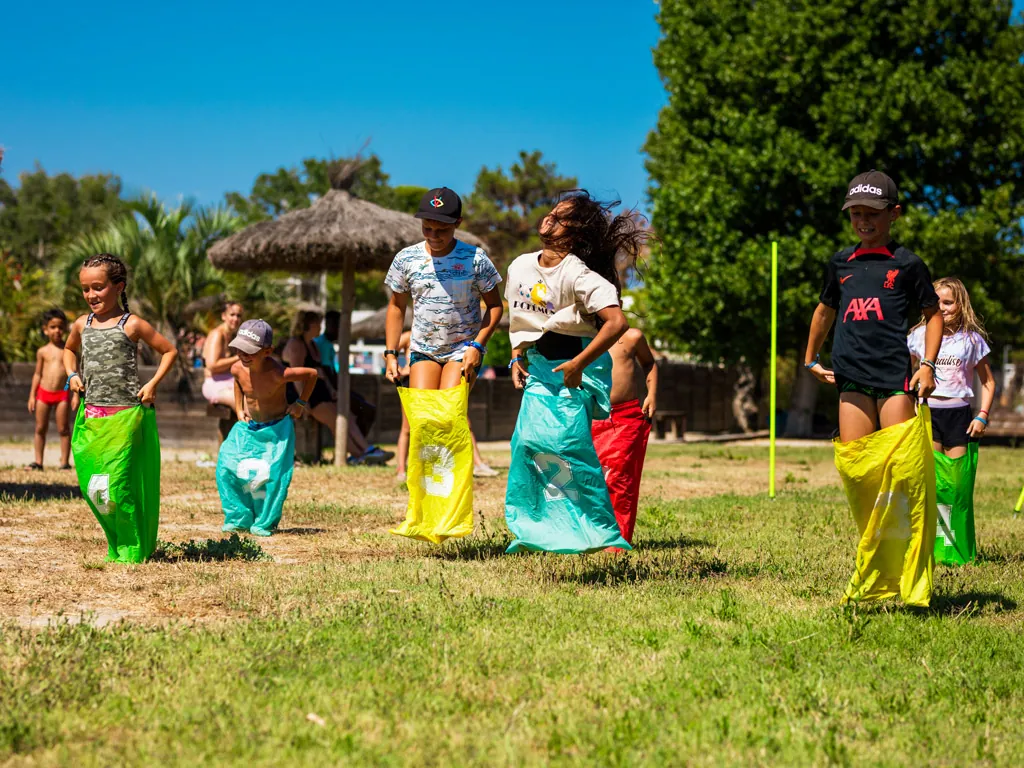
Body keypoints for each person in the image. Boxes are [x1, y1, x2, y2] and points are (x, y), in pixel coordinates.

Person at [803, 170, 943, 606]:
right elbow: (825, 311)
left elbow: (933, 314)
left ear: (893, 214)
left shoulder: (907, 264)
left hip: (893, 380)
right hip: (850, 378)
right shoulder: (841, 263)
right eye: (856, 214)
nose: (863, 221)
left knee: (897, 476)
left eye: (873, 214)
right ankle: (875, 559)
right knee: (859, 473)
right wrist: (810, 358)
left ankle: (904, 570)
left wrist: (929, 367)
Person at [503, 190, 648, 554]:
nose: (550, 218)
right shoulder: (520, 266)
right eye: (551, 211)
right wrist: (515, 355)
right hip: (539, 370)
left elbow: (616, 322)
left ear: (574, 235)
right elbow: (522, 321)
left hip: (576, 374)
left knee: (568, 449)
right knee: (528, 446)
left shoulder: (578, 275)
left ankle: (599, 531)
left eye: (561, 217)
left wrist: (578, 365)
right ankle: (541, 529)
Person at [384, 187, 502, 542]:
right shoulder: (407, 260)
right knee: (423, 425)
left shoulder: (475, 259)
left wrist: (478, 346)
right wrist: (391, 352)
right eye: (428, 229)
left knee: (449, 421)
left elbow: (496, 308)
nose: (434, 237)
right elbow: (396, 308)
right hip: (422, 349)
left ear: (457, 225)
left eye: (442, 230)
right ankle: (423, 508)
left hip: (461, 349)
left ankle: (452, 509)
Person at [63, 253, 177, 562]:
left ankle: (132, 548)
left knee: (120, 487)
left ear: (118, 287)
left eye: (97, 287)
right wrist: (72, 374)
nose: (90, 295)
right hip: (92, 417)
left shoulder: (132, 324)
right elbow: (69, 350)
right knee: (94, 488)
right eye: (85, 289)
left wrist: (152, 384)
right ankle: (117, 543)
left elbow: (169, 351)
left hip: (126, 417)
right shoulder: (81, 324)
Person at [908, 277, 995, 565]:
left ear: (961, 305)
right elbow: (909, 378)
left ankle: (957, 548)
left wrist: (982, 415)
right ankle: (932, 549)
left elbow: (988, 382)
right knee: (933, 485)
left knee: (957, 486)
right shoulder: (918, 336)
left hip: (959, 416)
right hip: (928, 413)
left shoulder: (972, 341)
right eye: (937, 302)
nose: (942, 308)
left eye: (949, 302)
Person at [217, 319, 318, 536]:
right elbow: (237, 381)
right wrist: (238, 409)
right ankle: (239, 517)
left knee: (271, 477)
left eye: (249, 351)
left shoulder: (278, 374)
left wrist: (300, 404)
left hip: (277, 430)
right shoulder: (238, 368)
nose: (243, 354)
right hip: (250, 426)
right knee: (226, 467)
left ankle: (264, 521)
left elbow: (311, 374)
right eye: (239, 349)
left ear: (267, 351)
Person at [283, 310, 392, 465]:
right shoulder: (296, 344)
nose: (320, 327)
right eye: (317, 323)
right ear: (308, 324)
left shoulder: (313, 345)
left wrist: (331, 389)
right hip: (306, 395)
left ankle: (366, 450)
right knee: (337, 421)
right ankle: (359, 454)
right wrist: (302, 402)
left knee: (348, 417)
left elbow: (323, 372)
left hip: (320, 391)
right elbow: (295, 376)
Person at [591, 327, 658, 545]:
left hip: (625, 417)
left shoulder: (632, 337)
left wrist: (652, 394)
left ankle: (617, 539)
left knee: (620, 478)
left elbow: (649, 363)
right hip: (590, 415)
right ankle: (591, 534)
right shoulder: (581, 335)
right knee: (590, 477)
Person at [26, 308, 78, 470]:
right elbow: (37, 374)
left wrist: (75, 395)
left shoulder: (69, 351)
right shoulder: (42, 352)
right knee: (40, 428)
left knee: (63, 428)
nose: (57, 331)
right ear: (45, 330)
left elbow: (74, 373)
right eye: (53, 327)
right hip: (43, 393)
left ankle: (64, 462)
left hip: (62, 394)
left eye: (60, 327)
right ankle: (38, 461)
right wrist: (32, 396)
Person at [202, 301, 245, 407]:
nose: (235, 319)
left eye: (238, 315)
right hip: (215, 384)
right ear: (223, 316)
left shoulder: (233, 336)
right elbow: (212, 366)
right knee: (242, 404)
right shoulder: (217, 334)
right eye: (232, 315)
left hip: (231, 381)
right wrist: (239, 357)